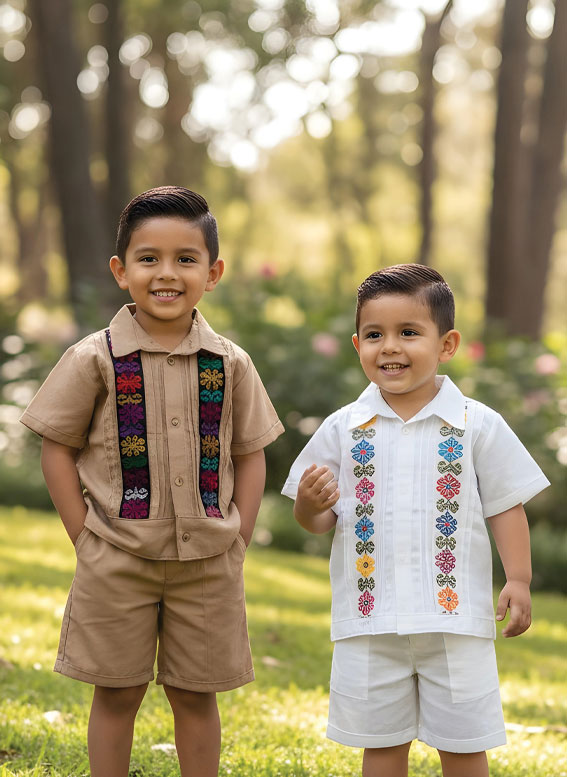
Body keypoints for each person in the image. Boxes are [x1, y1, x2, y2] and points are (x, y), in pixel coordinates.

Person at [20, 186, 284, 777]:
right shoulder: (94, 358)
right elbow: (56, 448)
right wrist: (84, 536)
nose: (167, 274)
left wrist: (237, 537)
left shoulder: (231, 364)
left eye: (186, 259)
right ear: (121, 271)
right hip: (116, 558)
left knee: (196, 694)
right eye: (149, 258)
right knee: (116, 691)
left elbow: (250, 453)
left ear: (212, 273)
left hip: (209, 564)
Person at [282, 264, 550, 777]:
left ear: (446, 344)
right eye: (375, 335)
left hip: (455, 622)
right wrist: (310, 504)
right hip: (370, 621)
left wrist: (518, 578)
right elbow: (318, 522)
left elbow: (505, 504)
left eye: (409, 333)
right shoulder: (343, 429)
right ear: (356, 343)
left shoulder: (476, 424)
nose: (390, 347)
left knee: (465, 743)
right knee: (380, 745)